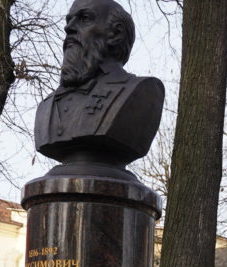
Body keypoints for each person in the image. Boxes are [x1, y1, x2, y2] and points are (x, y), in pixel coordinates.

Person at [34, 0, 165, 173]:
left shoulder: (144, 91)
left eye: (85, 18)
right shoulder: (47, 105)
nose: (69, 28)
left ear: (116, 34)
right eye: (69, 20)